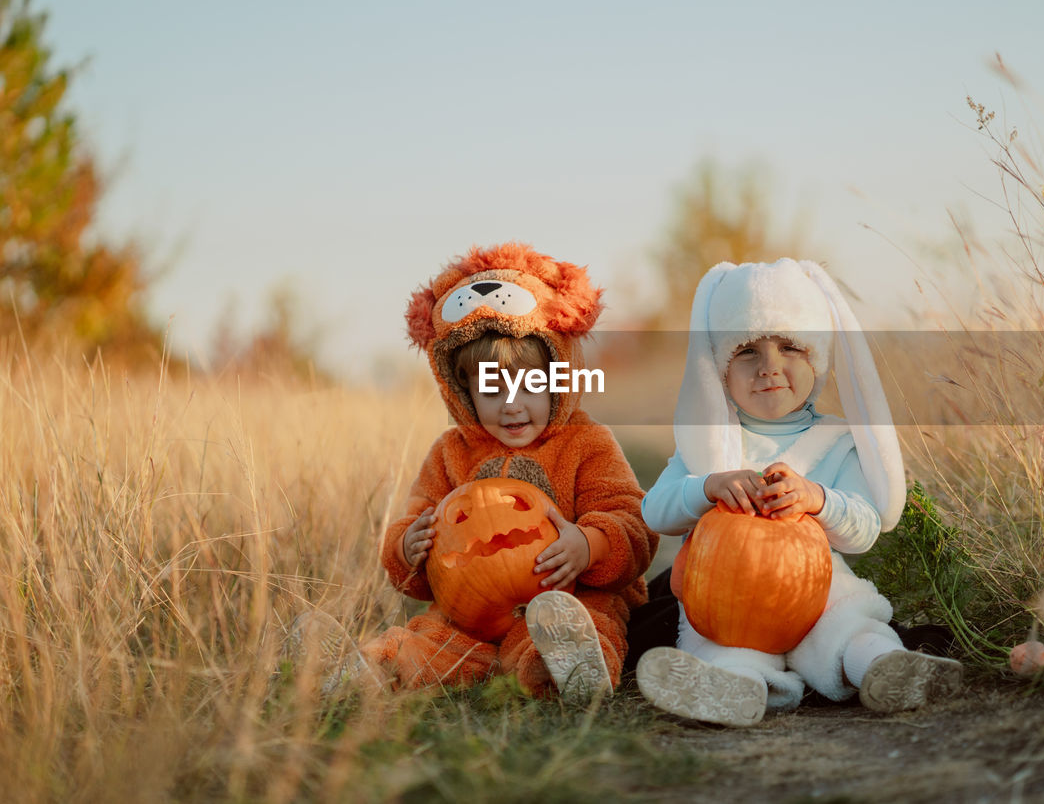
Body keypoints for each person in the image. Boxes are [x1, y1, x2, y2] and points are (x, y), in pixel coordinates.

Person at [286, 243, 657, 702]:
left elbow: (633, 520)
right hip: (469, 615)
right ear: (460, 390)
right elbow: (413, 540)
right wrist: (408, 546)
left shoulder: (587, 443)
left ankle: (569, 669)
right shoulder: (449, 454)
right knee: (427, 640)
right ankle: (356, 671)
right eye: (491, 388)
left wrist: (590, 544)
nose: (511, 404)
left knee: (578, 621)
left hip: (569, 599)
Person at [635, 259, 961, 726]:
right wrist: (708, 485)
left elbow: (865, 528)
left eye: (790, 347)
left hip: (817, 593)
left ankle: (883, 667)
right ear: (719, 369)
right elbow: (656, 511)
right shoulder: (710, 442)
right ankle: (737, 689)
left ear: (818, 360)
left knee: (852, 627)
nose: (770, 366)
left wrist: (818, 499)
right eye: (746, 351)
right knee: (720, 644)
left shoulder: (835, 441)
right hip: (730, 602)